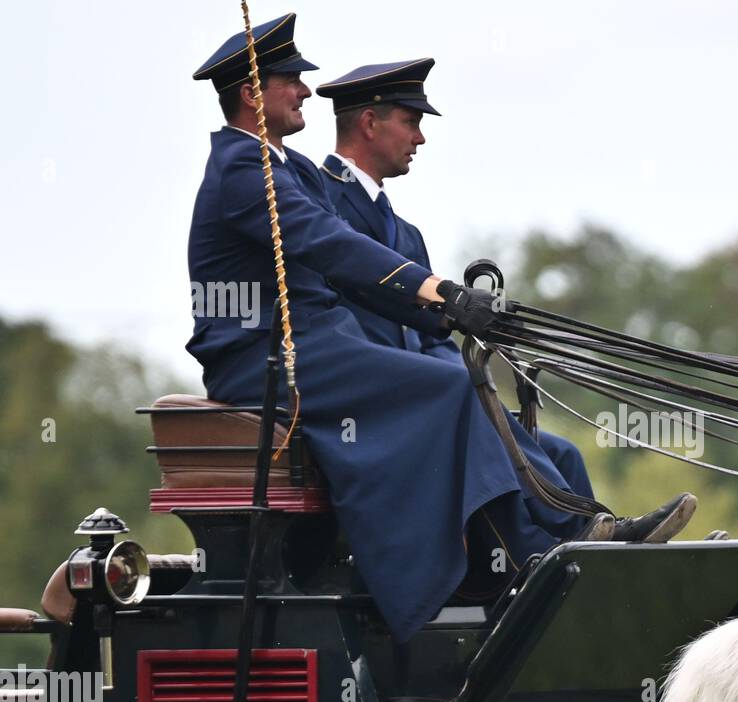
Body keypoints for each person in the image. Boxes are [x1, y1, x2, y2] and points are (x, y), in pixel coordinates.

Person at [186, 14, 695, 642]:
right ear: (253, 94)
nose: (305, 93)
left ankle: (585, 551)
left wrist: (453, 313)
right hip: (268, 355)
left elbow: (353, 272)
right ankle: (538, 555)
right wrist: (439, 291)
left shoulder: (278, 166)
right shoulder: (245, 166)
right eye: (292, 81)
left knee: (505, 413)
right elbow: (331, 244)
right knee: (453, 389)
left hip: (322, 342)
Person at [315, 57, 594, 502]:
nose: (420, 138)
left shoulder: (406, 233)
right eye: (411, 122)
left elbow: (430, 339)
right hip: (371, 397)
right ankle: (555, 548)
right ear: (369, 123)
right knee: (497, 446)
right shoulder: (316, 204)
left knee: (563, 455)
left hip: (427, 390)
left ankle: (596, 545)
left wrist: (482, 395)